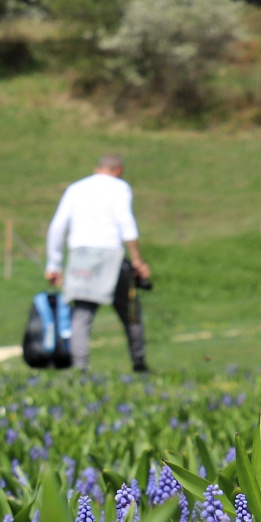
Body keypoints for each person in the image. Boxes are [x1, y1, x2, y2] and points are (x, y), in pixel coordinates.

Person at [45, 154, 151, 371]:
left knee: (82, 313)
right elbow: (126, 222)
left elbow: (57, 227)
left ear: (97, 168)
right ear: (118, 170)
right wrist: (138, 260)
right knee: (129, 311)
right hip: (110, 254)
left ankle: (80, 367)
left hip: (80, 255)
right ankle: (139, 363)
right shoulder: (119, 188)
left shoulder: (75, 188)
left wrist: (53, 264)